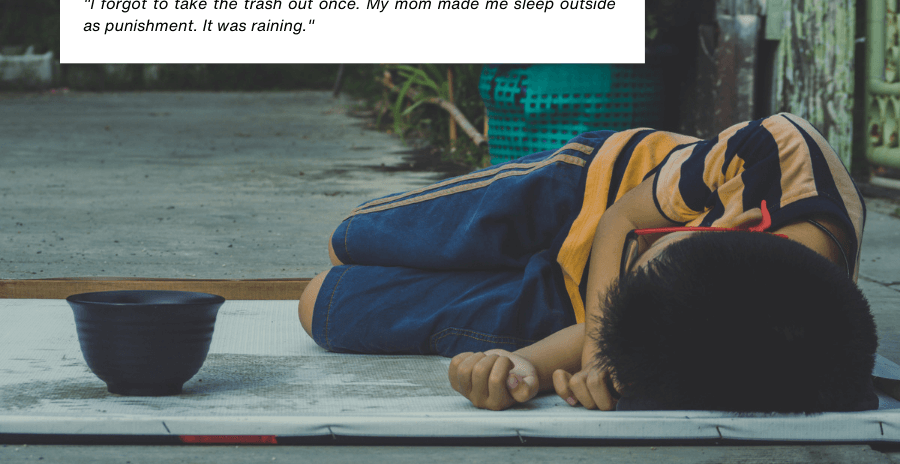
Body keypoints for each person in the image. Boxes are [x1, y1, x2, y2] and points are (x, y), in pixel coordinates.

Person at [298, 112, 878, 413]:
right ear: (732, 227)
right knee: (348, 240)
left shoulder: (757, 342)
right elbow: (622, 224)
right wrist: (601, 352)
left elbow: (645, 321)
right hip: (579, 195)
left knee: (320, 304)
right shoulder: (777, 155)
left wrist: (514, 367)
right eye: (653, 265)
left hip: (576, 310)